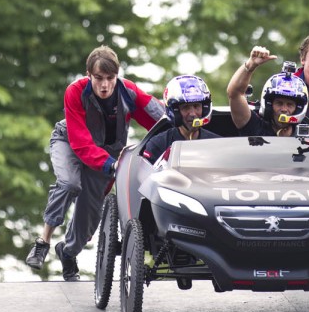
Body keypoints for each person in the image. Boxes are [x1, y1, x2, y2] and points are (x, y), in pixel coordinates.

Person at [25, 46, 164, 281]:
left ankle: (67, 253)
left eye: (110, 78)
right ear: (88, 75)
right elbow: (80, 143)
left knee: (87, 219)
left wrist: (185, 121)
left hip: (107, 155)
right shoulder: (75, 92)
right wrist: (112, 165)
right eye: (98, 78)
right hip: (70, 142)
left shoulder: (128, 92)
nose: (105, 85)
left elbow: (158, 116)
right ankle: (43, 241)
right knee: (70, 183)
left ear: (117, 76)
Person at [226, 46, 309, 137]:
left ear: (298, 109)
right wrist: (251, 64)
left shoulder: (306, 135)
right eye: (279, 103)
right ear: (269, 105)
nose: (284, 109)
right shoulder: (255, 126)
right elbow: (235, 93)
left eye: (290, 105)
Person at [142, 75, 220, 162]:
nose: (193, 114)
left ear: (204, 108)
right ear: (175, 112)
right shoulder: (158, 144)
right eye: (186, 107)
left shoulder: (217, 143)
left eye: (196, 106)